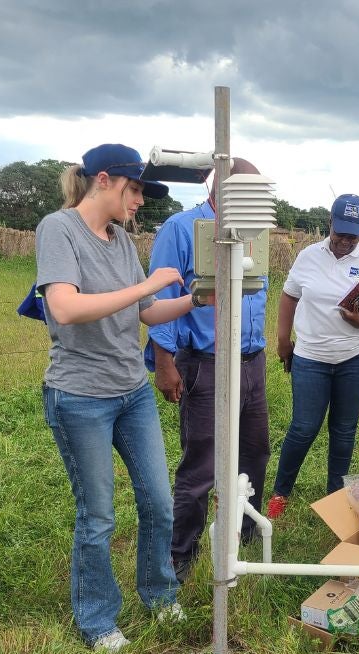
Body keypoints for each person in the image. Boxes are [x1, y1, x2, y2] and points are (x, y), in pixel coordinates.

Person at [36, 144, 206, 652]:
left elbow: (148, 313)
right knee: (99, 515)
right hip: (80, 396)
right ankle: (98, 621)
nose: (140, 202)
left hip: (131, 392)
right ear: (103, 180)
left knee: (158, 503)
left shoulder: (122, 243)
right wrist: (147, 286)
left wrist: (197, 299)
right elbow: (64, 308)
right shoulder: (58, 229)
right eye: (135, 190)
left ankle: (158, 594)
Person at [145, 158, 270, 583]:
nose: (254, 201)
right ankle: (181, 557)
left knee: (254, 453)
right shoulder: (183, 229)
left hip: (252, 361)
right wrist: (164, 362)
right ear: (223, 189)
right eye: (246, 193)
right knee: (202, 463)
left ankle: (245, 536)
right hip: (207, 363)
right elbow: (161, 297)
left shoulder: (254, 233)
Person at [267, 194, 359, 517]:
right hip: (311, 358)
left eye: (352, 235)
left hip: (356, 359)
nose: (345, 241)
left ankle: (334, 501)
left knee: (343, 430)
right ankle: (280, 495)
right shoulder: (308, 256)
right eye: (340, 233)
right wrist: (284, 340)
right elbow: (288, 298)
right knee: (304, 427)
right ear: (330, 224)